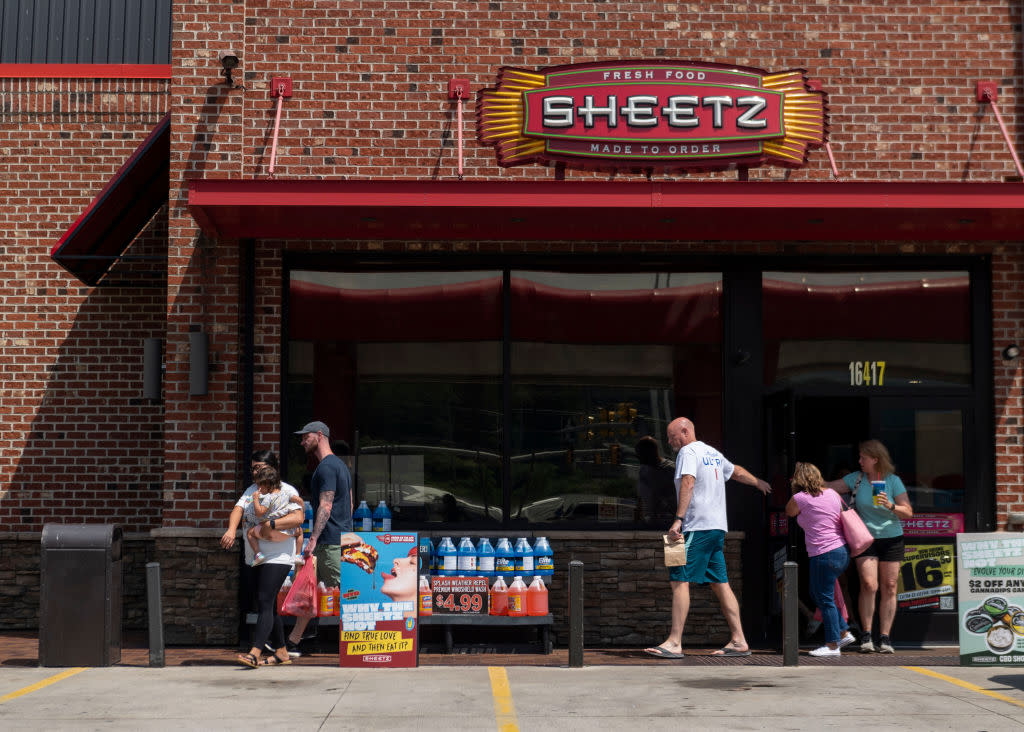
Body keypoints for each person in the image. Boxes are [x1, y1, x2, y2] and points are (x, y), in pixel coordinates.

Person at [644, 417, 771, 659]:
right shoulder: (712, 452)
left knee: (679, 578)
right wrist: (758, 482)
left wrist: (679, 518)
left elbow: (688, 483)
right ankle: (739, 640)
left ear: (684, 431)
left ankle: (674, 642)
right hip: (716, 528)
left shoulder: (688, 452)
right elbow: (736, 472)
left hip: (697, 526)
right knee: (720, 583)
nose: (670, 442)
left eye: (672, 437)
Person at [825, 439, 913, 653]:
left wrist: (890, 505)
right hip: (865, 538)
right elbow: (828, 487)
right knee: (868, 584)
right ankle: (866, 635)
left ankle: (885, 637)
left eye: (863, 457)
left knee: (890, 586)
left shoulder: (892, 481)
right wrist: (805, 481)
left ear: (875, 459)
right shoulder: (856, 479)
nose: (859, 461)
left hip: (892, 538)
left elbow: (908, 512)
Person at [220, 450, 303, 650]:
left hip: (278, 554)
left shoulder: (286, 490)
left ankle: (256, 650)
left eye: (259, 467)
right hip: (256, 556)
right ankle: (281, 651)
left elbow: (298, 518)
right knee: (268, 604)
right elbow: (238, 509)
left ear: (271, 468)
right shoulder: (251, 490)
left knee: (265, 600)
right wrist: (231, 530)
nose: (254, 471)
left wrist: (271, 525)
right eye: (253, 468)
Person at [285, 421, 353, 657]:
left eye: (306, 437)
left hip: (329, 543)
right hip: (338, 538)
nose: (302, 442)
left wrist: (313, 538)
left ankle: (360, 643)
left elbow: (326, 504)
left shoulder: (325, 468)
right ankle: (292, 642)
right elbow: (351, 504)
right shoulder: (341, 467)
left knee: (346, 593)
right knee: (308, 591)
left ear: (320, 435)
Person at [785, 462, 857, 657]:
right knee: (821, 595)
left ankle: (833, 645)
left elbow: (789, 512)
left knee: (824, 598)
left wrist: (794, 488)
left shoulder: (800, 498)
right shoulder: (833, 494)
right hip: (841, 552)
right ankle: (843, 631)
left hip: (823, 553)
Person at [247, 471, 304, 566]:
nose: (259, 489)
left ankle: (258, 554)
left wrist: (256, 500)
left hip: (270, 531)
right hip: (288, 532)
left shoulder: (268, 498)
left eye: (260, 485)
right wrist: (302, 511)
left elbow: (259, 513)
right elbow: (300, 500)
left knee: (249, 533)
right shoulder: (287, 493)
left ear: (267, 485)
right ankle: (298, 555)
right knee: (300, 532)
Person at [634, 436, 677, 524]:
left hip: (668, 522)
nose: (638, 457)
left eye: (640, 453)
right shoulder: (644, 470)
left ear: (650, 452)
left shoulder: (671, 470)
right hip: (651, 521)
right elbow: (642, 496)